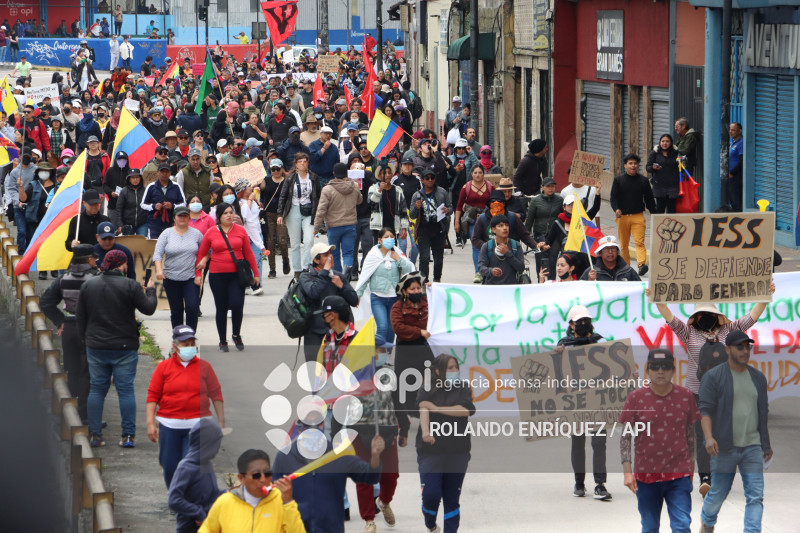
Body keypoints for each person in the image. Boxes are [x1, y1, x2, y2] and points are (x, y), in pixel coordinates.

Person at [648, 284, 774, 500]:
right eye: (701, 315)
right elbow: (669, 318)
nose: (705, 318)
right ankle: (706, 477)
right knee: (701, 434)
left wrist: (766, 294)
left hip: (727, 390)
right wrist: (656, 298)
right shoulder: (688, 333)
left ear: (718, 316)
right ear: (695, 318)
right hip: (697, 392)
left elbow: (752, 317)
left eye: (709, 314)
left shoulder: (730, 330)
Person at [77, 249, 158, 448]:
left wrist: (86, 339)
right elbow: (148, 308)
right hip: (125, 346)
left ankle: (95, 435)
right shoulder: (130, 285)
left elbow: (81, 317)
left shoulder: (89, 285)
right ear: (121, 265)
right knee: (126, 391)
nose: (127, 266)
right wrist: (151, 290)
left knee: (96, 390)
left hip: (96, 345)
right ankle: (128, 436)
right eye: (125, 264)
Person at [619, 349, 700, 533]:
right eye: (655, 367)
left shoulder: (686, 396)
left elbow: (691, 435)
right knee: (650, 527)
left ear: (673, 370)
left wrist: (691, 467)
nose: (660, 371)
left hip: (678, 474)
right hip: (646, 476)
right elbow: (625, 437)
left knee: (682, 526)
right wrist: (627, 472)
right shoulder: (636, 398)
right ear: (648, 371)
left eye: (665, 367)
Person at [698, 330, 772, 533]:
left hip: (752, 448)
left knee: (755, 496)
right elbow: (705, 411)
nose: (745, 350)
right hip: (724, 447)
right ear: (727, 349)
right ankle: (707, 521)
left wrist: (765, 443)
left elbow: (762, 412)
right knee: (718, 493)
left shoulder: (758, 378)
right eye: (740, 346)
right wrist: (709, 437)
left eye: (747, 346)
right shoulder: (713, 377)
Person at [146, 325, 224, 489]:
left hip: (198, 426)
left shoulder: (205, 367)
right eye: (184, 344)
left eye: (191, 344)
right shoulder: (163, 368)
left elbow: (216, 395)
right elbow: (153, 395)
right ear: (175, 347)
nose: (189, 348)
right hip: (169, 425)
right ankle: (175, 495)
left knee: (191, 465)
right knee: (169, 465)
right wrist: (150, 423)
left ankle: (189, 499)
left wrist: (221, 424)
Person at [556, 305, 612, 500]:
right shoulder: (564, 344)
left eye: (586, 320)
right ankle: (579, 483)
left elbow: (613, 366)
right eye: (579, 321)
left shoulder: (601, 341)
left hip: (598, 401)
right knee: (578, 443)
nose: (583, 324)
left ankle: (599, 484)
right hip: (576, 402)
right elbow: (557, 372)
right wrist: (558, 354)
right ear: (571, 324)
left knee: (599, 443)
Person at [40, 244, 100, 424]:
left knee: (72, 371)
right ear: (89, 259)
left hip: (70, 329)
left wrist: (60, 321)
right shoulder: (96, 278)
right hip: (90, 329)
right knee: (88, 373)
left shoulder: (63, 278)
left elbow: (45, 302)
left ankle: (70, 412)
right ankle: (84, 414)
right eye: (94, 259)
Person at [417, 354, 476, 533]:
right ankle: (431, 524)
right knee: (431, 495)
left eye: (455, 367)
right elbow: (423, 408)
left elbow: (465, 410)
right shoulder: (427, 388)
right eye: (449, 368)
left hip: (458, 451)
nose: (454, 371)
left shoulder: (463, 388)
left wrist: (437, 408)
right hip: (431, 451)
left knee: (452, 497)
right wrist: (426, 433)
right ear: (438, 370)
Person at [196, 202, 260, 352]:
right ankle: (222, 340)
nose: (229, 215)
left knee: (237, 305)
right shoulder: (211, 232)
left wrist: (256, 273)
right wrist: (198, 274)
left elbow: (249, 253)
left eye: (231, 212)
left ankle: (236, 334)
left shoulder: (240, 230)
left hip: (236, 275)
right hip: (217, 275)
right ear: (218, 216)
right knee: (221, 307)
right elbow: (201, 253)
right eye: (225, 213)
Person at [199, 449, 305, 533]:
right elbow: (207, 529)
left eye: (267, 473)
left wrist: (288, 503)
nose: (263, 479)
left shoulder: (281, 502)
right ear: (241, 478)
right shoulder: (225, 502)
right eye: (256, 475)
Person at [297, 243, 359, 362]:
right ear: (316, 259)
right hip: (314, 331)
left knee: (338, 372)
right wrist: (324, 272)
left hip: (337, 332)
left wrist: (342, 286)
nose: (330, 257)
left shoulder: (337, 276)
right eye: (326, 255)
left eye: (330, 253)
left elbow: (354, 300)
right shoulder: (305, 277)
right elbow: (313, 292)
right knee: (314, 370)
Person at [355, 227, 414, 344]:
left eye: (392, 237)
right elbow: (365, 277)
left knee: (392, 327)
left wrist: (398, 259)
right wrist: (357, 295)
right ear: (379, 240)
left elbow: (409, 269)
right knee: (382, 327)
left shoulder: (397, 253)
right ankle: (379, 354)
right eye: (386, 237)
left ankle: (387, 354)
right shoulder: (373, 255)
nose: (390, 239)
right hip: (378, 298)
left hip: (394, 298)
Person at [168, 418, 224, 533]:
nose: (218, 449)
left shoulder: (207, 464)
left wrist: (230, 494)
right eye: (215, 444)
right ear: (207, 444)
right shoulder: (186, 467)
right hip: (188, 528)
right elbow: (174, 499)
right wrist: (199, 513)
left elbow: (212, 494)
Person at [154, 206, 204, 330]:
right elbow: (157, 254)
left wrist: (204, 261)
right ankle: (178, 338)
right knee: (176, 310)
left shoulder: (196, 234)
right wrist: (159, 270)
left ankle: (190, 336)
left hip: (191, 278)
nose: (182, 218)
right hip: (171, 278)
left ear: (189, 218)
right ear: (174, 218)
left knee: (192, 308)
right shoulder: (167, 233)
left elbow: (206, 251)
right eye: (180, 216)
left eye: (185, 216)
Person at [609, 154, 655, 277]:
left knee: (639, 242)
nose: (633, 165)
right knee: (623, 244)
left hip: (638, 216)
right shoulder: (618, 180)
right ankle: (626, 267)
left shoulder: (643, 181)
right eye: (630, 163)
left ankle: (641, 265)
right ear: (625, 166)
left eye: (635, 163)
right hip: (622, 217)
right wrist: (616, 209)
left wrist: (655, 215)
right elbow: (613, 197)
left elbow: (649, 199)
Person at [313, 162, 362, 274]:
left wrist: (316, 227)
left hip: (333, 226)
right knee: (348, 253)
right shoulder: (354, 185)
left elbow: (321, 210)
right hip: (350, 224)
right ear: (347, 173)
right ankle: (347, 270)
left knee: (334, 254)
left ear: (334, 173)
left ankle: (338, 276)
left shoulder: (327, 189)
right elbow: (359, 200)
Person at [277, 152, 320, 277]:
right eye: (300, 162)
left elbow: (318, 196)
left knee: (309, 240)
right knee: (295, 243)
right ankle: (297, 269)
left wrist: (319, 214)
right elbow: (283, 196)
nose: (302, 164)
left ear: (308, 163)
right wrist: (280, 214)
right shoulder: (290, 178)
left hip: (309, 210)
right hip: (293, 210)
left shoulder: (313, 177)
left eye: (304, 161)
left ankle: (306, 267)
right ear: (295, 164)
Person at [409, 169, 451, 283]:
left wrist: (447, 210)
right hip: (423, 229)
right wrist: (416, 207)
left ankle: (437, 280)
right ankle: (424, 281)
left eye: (432, 178)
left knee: (438, 259)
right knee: (424, 258)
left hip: (438, 229)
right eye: (427, 178)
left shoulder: (442, 192)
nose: (430, 180)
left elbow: (450, 208)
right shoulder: (417, 195)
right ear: (422, 180)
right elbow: (412, 215)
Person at [455, 165, 494, 282]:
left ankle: (489, 270)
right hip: (473, 222)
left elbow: (495, 202)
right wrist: (456, 222)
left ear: (483, 174)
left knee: (490, 245)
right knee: (476, 246)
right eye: (475, 172)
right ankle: (478, 272)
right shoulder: (466, 187)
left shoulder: (490, 187)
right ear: (472, 174)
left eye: (480, 172)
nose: (478, 175)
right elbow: (458, 206)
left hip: (488, 220)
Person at [141, 162, 187, 239]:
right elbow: (143, 205)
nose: (164, 174)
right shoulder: (151, 187)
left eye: (167, 171)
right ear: (157, 173)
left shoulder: (176, 186)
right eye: (162, 171)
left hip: (171, 223)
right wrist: (154, 206)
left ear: (170, 173)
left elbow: (183, 204)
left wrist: (172, 206)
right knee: (154, 245)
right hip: (154, 224)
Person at [261, 158, 291, 278]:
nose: (275, 171)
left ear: (282, 168)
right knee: (270, 242)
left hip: (282, 215)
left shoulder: (287, 181)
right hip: (269, 214)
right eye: (273, 169)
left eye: (278, 169)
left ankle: (285, 260)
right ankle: (272, 269)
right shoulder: (267, 180)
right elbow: (261, 188)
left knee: (283, 241)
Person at [477, 214, 525, 285]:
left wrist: (508, 253)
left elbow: (521, 268)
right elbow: (481, 267)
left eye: (506, 225)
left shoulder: (516, 245)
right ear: (493, 229)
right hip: (491, 288)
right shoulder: (487, 246)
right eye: (500, 226)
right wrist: (491, 271)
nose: (505, 228)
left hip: (511, 287)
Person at [646, 134, 681, 214]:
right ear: (660, 142)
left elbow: (682, 168)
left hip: (673, 185)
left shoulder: (676, 153)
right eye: (663, 141)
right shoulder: (654, 153)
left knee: (671, 209)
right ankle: (659, 226)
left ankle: (671, 226)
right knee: (660, 208)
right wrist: (653, 168)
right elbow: (648, 167)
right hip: (659, 185)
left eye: (667, 141)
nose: (665, 143)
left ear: (671, 143)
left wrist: (681, 165)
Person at [526, 177, 563, 243]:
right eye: (548, 186)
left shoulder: (559, 200)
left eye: (552, 186)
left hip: (555, 233)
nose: (550, 188)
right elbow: (529, 219)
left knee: (553, 253)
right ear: (543, 187)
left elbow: (564, 216)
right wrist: (526, 234)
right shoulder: (535, 200)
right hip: (539, 234)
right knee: (541, 252)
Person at [115, 168, 149, 236]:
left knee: (142, 244)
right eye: (133, 178)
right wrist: (120, 224)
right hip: (128, 224)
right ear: (129, 179)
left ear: (140, 178)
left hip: (142, 223)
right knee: (128, 244)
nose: (135, 180)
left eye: (137, 177)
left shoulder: (145, 190)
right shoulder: (124, 191)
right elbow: (119, 209)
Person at [727, 122, 743, 212]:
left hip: (736, 177)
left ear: (739, 131)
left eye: (733, 130)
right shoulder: (733, 143)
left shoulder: (741, 143)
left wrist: (732, 172)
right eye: (730, 129)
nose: (730, 132)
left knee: (737, 201)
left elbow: (742, 161)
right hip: (730, 177)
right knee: (732, 200)